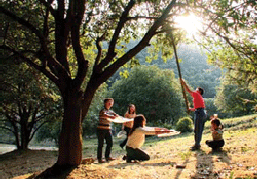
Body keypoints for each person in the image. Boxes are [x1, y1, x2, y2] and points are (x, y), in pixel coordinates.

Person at [181, 79, 207, 150]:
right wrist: (190, 109)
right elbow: (197, 107)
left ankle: (197, 145)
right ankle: (197, 144)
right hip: (202, 112)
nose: (195, 89)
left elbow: (189, 90)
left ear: (199, 91)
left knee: (197, 129)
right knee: (199, 129)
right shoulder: (199, 97)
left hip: (199, 113)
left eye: (197, 89)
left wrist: (184, 83)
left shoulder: (197, 94)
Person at [97, 98, 119, 163]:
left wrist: (116, 116)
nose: (110, 103)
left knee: (110, 143)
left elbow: (116, 115)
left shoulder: (111, 111)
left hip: (108, 129)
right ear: (105, 103)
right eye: (109, 102)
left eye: (111, 102)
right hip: (101, 129)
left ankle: (107, 156)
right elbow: (105, 115)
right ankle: (100, 158)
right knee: (101, 144)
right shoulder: (102, 110)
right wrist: (111, 117)